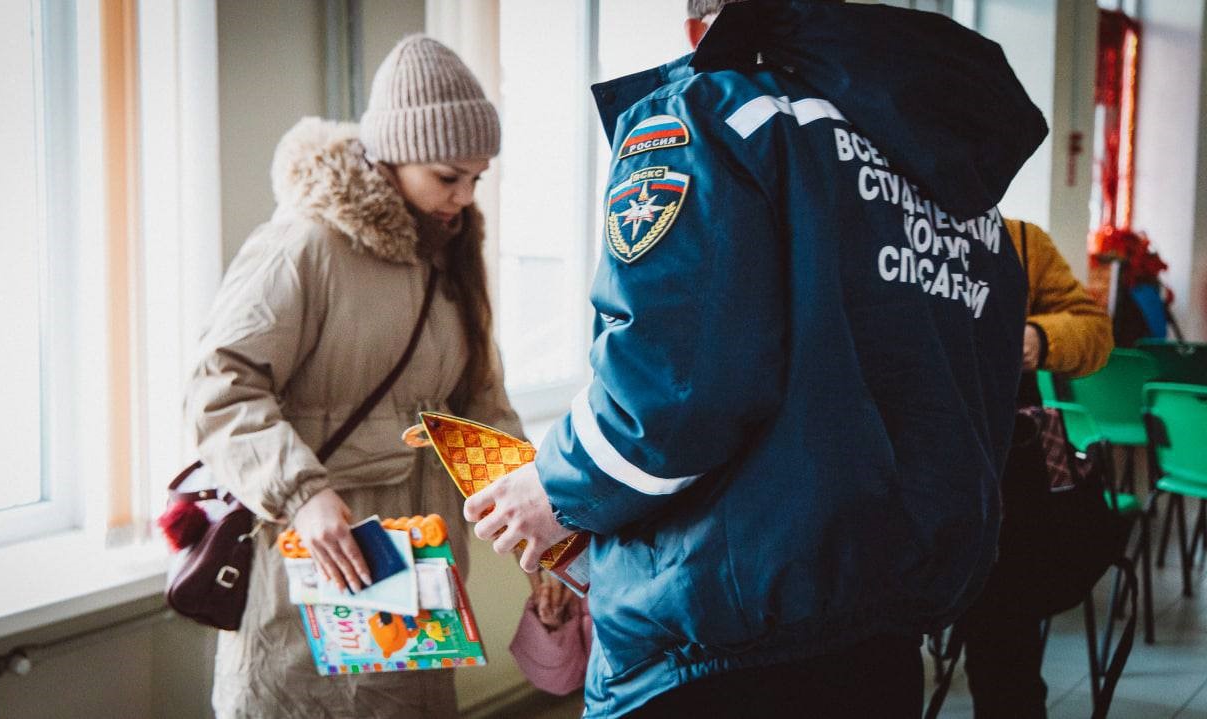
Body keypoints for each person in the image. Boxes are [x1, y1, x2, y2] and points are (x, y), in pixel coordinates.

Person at [464, 0, 1047, 716]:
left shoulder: (709, 115)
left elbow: (668, 391)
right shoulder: (957, 185)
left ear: (698, 27)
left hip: (715, 635)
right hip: (885, 628)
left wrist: (554, 489)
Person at [185, 34, 522, 719]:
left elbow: (481, 406)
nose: (463, 196)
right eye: (447, 175)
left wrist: (543, 535)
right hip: (316, 563)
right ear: (392, 155)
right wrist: (303, 492)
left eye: (476, 178)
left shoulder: (451, 251)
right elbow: (218, 384)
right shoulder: (305, 242)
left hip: (418, 574)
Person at [955, 218, 1114, 718]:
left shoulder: (1019, 240)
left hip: (1001, 494)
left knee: (1006, 661)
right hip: (887, 480)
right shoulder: (867, 214)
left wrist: (1039, 338)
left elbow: (1093, 330)